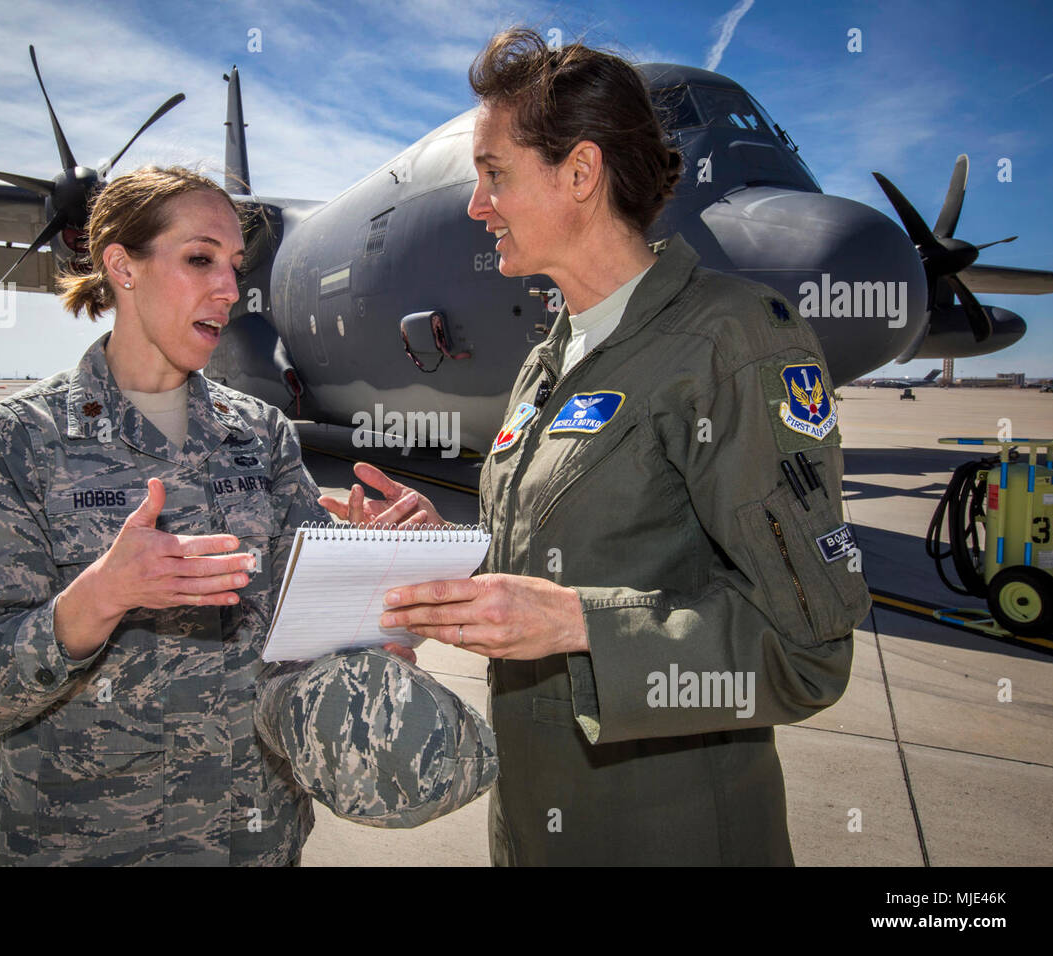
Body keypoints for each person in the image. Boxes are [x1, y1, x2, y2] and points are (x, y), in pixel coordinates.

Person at [323, 29, 872, 865]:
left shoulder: (731, 341)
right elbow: (565, 562)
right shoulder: (551, 358)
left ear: (580, 174)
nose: (477, 204)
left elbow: (807, 653)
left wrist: (580, 626)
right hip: (538, 826)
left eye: (495, 174)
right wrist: (449, 554)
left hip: (668, 836)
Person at [0, 165, 430, 865]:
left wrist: (381, 570)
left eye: (233, 265)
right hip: (87, 846)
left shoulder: (262, 432)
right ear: (120, 267)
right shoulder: (16, 439)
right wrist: (97, 601)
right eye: (199, 259)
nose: (229, 288)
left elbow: (301, 624)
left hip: (254, 840)